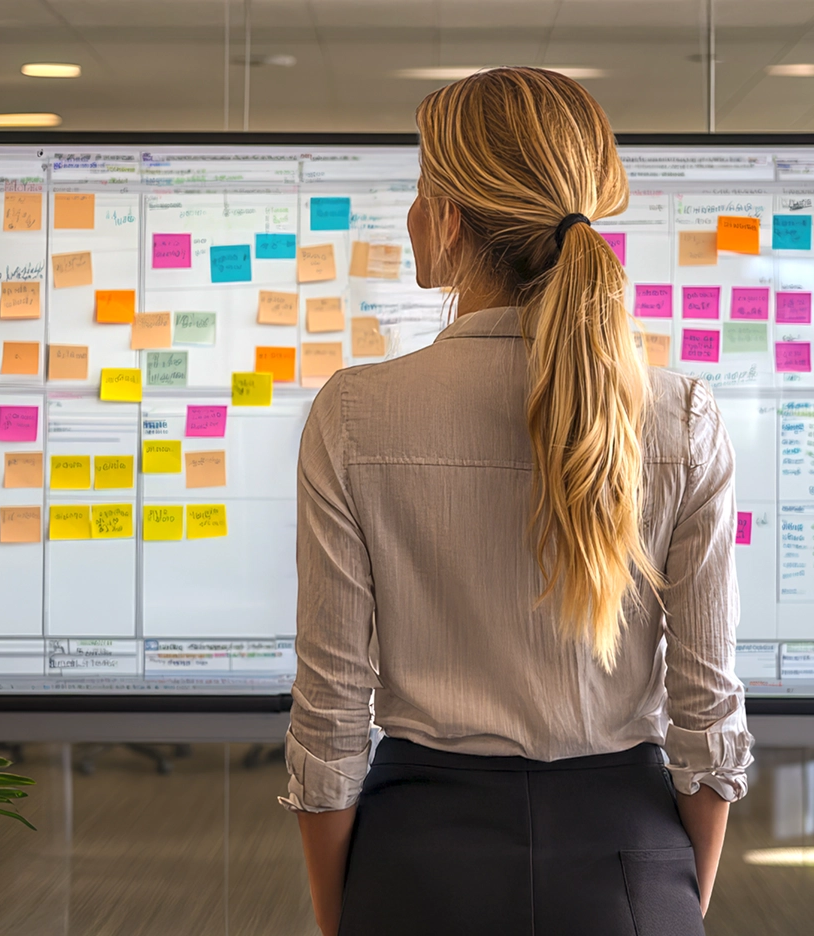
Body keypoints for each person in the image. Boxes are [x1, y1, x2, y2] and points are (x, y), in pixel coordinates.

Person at [281, 67, 754, 936]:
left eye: (422, 192)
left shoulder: (351, 415)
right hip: (630, 861)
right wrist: (668, 893)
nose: (414, 216)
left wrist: (340, 914)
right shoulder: (683, 417)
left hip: (417, 863)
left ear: (452, 220)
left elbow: (332, 719)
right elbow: (706, 712)